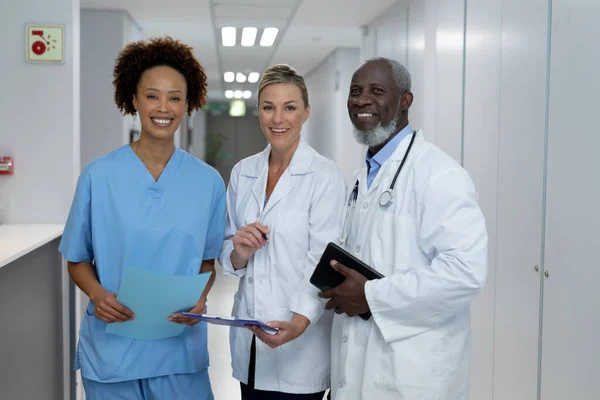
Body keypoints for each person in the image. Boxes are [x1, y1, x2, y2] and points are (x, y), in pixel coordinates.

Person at [59, 37, 225, 399]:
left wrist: (201, 297)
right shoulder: (98, 175)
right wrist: (98, 294)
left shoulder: (208, 181)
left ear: (187, 104)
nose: (163, 107)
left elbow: (208, 261)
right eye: (152, 95)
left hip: (179, 351)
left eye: (175, 97)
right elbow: (76, 259)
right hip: (113, 352)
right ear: (133, 100)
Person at [320, 57, 488, 399]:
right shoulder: (362, 176)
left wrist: (370, 296)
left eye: (377, 91)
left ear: (405, 101)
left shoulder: (440, 174)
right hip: (360, 364)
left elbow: (465, 272)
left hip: (414, 371)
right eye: (355, 91)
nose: (362, 100)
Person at [219, 64, 346, 399]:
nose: (278, 119)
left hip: (301, 343)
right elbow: (228, 252)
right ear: (258, 112)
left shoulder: (324, 176)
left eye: (289, 107)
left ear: (305, 112)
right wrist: (240, 252)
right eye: (268, 107)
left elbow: (324, 260)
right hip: (250, 341)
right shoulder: (243, 172)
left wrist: (301, 320)